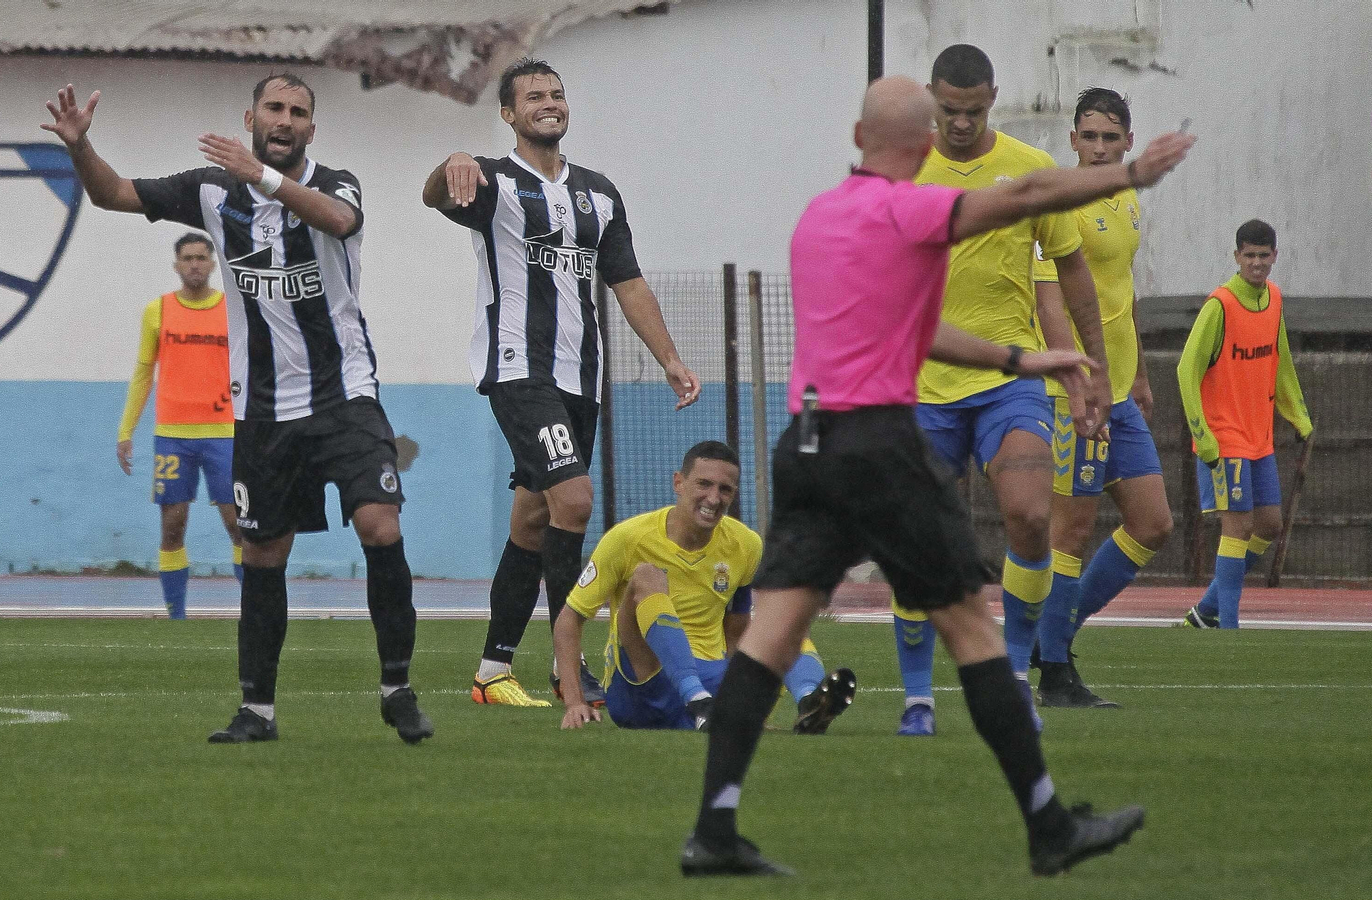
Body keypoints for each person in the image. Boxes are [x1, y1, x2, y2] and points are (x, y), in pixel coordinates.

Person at [679, 75, 1194, 878]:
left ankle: (713, 829)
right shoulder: (909, 209)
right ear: (924, 148)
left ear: (856, 135)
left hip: (807, 445)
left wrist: (1024, 359)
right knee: (974, 629)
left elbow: (912, 331)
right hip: (881, 447)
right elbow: (1024, 193)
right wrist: (1129, 174)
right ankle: (1050, 827)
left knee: (773, 634)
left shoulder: (818, 219)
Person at [44, 73, 434, 744]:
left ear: (313, 128)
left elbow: (341, 222)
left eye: (299, 112)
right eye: (274, 109)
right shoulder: (211, 191)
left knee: (381, 525)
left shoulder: (335, 184)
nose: (285, 120)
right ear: (250, 116)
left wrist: (265, 178)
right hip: (261, 411)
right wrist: (81, 146)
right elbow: (113, 194)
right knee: (263, 553)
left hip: (345, 396)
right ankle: (258, 710)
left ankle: (397, 687)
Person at [422, 57, 701, 709]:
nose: (549, 102)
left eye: (557, 93)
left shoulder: (599, 194)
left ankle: (492, 672)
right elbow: (434, 195)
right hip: (519, 369)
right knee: (574, 500)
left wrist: (669, 357)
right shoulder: (491, 181)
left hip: (581, 377)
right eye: (534, 96)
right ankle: (565, 668)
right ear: (509, 115)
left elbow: (626, 282)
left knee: (533, 519)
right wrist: (452, 161)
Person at [892, 45, 1114, 736]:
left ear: (994, 97)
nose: (961, 123)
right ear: (931, 97)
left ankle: (1015, 676)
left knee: (1026, 515)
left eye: (975, 110)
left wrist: (1093, 367)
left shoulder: (1030, 169)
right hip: (921, 386)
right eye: (949, 111)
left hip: (1009, 382)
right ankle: (917, 697)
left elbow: (1073, 270)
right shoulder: (901, 169)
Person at [553, 441, 855, 733]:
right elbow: (569, 619)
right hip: (641, 687)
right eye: (704, 484)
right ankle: (695, 699)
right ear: (678, 483)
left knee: (782, 616)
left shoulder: (745, 545)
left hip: (712, 682)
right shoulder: (627, 538)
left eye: (725, 489)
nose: (714, 498)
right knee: (646, 575)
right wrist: (575, 702)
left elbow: (737, 631)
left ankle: (809, 701)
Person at [1031, 89, 1174, 707]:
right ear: (1072, 143)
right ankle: (1056, 672)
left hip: (1117, 388)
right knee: (1072, 528)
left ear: (1128, 144)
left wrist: (1137, 374)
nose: (1098, 149)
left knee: (1153, 524)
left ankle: (1052, 635)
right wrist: (1077, 377)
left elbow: (1122, 291)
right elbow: (1047, 295)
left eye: (1109, 138)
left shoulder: (1126, 199)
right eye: (1088, 137)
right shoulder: (1060, 202)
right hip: (1075, 393)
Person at [1178, 220, 1312, 629]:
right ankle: (1230, 628)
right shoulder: (1220, 305)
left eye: (1264, 255)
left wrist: (1299, 414)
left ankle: (1206, 611)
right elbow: (1187, 370)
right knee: (1237, 527)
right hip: (1224, 437)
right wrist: (1203, 436)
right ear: (1236, 256)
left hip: (1260, 438)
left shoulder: (1274, 298)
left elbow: (1281, 359)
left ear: (1275, 256)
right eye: (1249, 255)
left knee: (1269, 525)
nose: (1257, 263)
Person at [116, 233, 244, 620]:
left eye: (202, 258)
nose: (195, 265)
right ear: (176, 265)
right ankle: (176, 616)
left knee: (239, 525)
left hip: (225, 435)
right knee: (172, 526)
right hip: (173, 436)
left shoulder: (232, 311)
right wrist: (126, 431)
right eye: (187, 258)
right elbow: (143, 373)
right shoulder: (158, 311)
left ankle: (256, 610)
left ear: (212, 263)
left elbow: (254, 366)